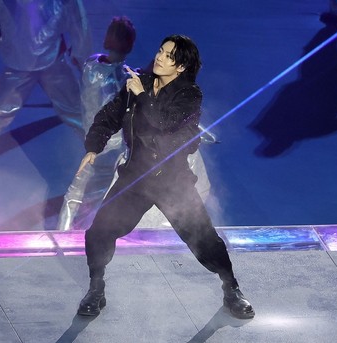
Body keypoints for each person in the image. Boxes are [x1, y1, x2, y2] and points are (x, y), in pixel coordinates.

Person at [76, 34, 255, 320]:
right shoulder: (140, 83)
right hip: (135, 179)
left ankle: (231, 288)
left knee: (205, 241)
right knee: (99, 232)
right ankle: (95, 288)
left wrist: (141, 96)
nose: (160, 57)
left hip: (172, 182)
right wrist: (93, 147)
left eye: (169, 56)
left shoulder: (189, 95)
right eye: (161, 51)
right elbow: (109, 115)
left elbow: (165, 125)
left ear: (181, 67)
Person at [0, 0, 92, 187]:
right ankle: (100, 150)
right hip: (52, 61)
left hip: (19, 63)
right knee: (74, 110)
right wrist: (82, 57)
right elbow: (79, 23)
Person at [55, 16, 136, 231]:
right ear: (130, 44)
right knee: (98, 195)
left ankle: (64, 235)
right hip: (114, 148)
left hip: (93, 142)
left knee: (77, 194)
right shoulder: (124, 78)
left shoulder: (92, 65)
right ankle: (79, 234)